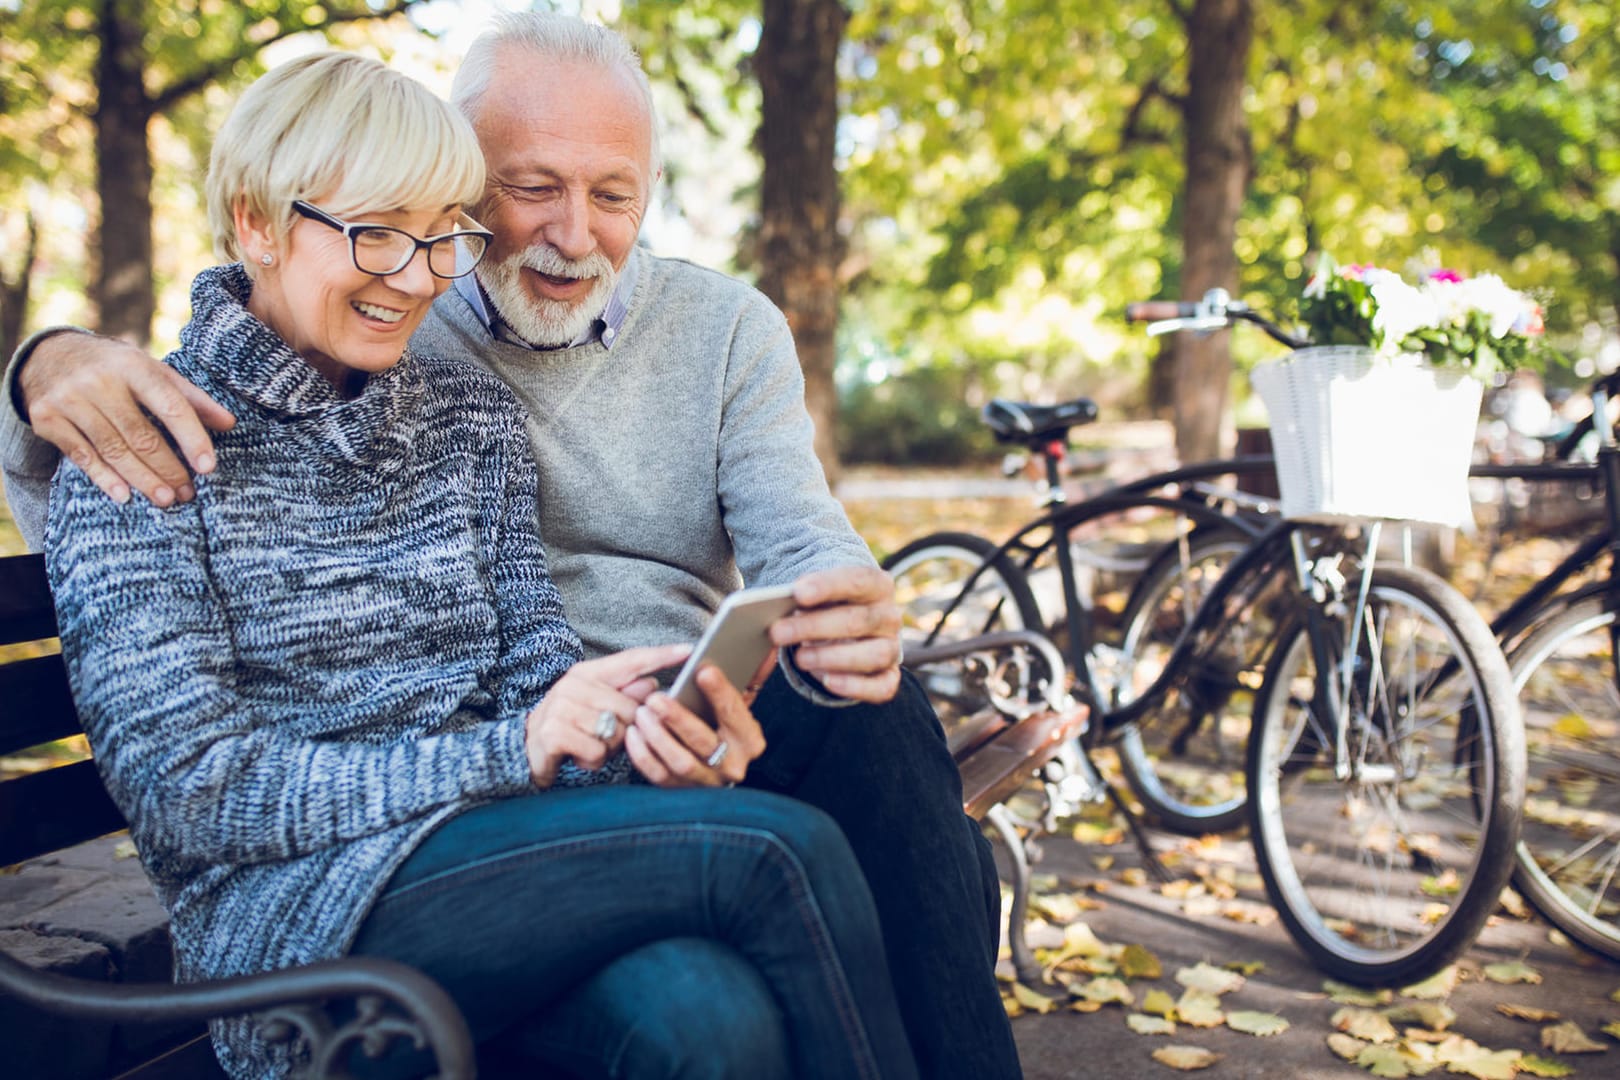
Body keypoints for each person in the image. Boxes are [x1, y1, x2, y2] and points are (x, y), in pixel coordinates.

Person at [2, 13, 1022, 1078]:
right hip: (300, 917)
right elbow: (193, 792)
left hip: (501, 844)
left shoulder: (459, 418)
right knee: (778, 854)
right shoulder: (146, 442)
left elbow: (538, 678)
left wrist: (636, 745)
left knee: (708, 1014)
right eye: (378, 232)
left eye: (438, 234)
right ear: (256, 224)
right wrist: (40, 363)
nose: (414, 274)